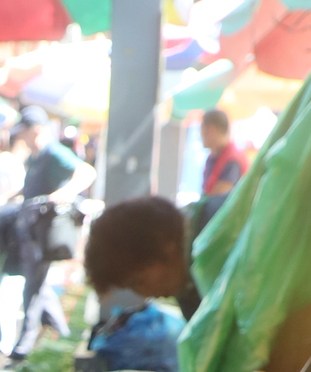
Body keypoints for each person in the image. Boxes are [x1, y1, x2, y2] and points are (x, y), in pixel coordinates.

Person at [83, 194, 201, 322]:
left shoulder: (216, 243)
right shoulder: (189, 294)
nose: (144, 294)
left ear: (163, 245)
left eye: (137, 282)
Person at [18, 104, 95, 204]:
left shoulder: (53, 152)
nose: (21, 137)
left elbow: (87, 172)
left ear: (36, 131)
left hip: (48, 216)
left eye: (24, 132)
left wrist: (67, 192)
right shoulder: (33, 157)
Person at [200, 108, 247, 200]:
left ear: (211, 131)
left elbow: (219, 200)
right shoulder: (214, 157)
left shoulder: (232, 160)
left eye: (201, 129)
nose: (200, 134)